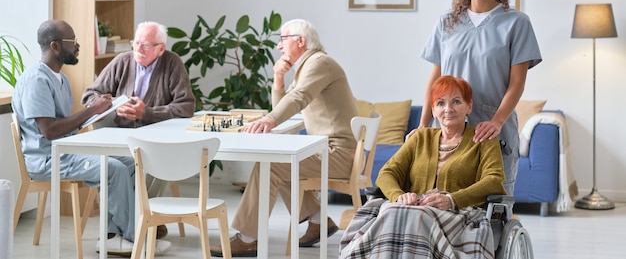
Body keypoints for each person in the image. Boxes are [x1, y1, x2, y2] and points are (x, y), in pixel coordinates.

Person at [11, 20, 171, 256]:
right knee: (113, 168)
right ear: (55, 46)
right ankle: (136, 237)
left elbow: (66, 126)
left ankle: (112, 235)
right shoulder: (37, 80)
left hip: (67, 151)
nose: (77, 46)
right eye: (72, 41)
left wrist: (102, 109)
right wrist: (91, 110)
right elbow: (49, 131)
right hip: (47, 159)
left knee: (132, 161)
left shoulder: (61, 79)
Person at [211, 19, 358, 257]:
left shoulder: (320, 63)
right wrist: (278, 79)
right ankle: (319, 220)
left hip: (339, 154)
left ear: (300, 41)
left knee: (272, 165)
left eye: (282, 39)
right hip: (329, 150)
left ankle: (248, 238)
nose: (279, 47)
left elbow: (297, 98)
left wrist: (269, 119)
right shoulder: (309, 65)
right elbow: (285, 108)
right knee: (281, 161)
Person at [414, 0, 541, 195]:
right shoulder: (446, 23)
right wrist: (423, 126)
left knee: (491, 209)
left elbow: (517, 83)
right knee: (444, 204)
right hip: (449, 133)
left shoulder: (516, 23)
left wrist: (497, 121)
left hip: (493, 132)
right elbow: (435, 80)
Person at [339, 76, 506, 258]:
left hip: (458, 214)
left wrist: (452, 199)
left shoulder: (484, 139)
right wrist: (399, 196)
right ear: (433, 110)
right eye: (441, 103)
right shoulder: (420, 138)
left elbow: (493, 180)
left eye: (456, 102)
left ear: (469, 106)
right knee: (392, 210)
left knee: (417, 217)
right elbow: (387, 173)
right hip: (412, 209)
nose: (448, 109)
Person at [82, 20, 195, 238]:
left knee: (162, 159)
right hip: (119, 137)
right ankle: (142, 222)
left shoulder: (172, 63)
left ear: (161, 48)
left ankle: (139, 220)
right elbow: (89, 96)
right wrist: (114, 104)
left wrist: (148, 113)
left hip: (155, 140)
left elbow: (186, 106)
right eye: (136, 43)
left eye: (146, 45)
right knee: (115, 166)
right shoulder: (122, 61)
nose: (138, 49)